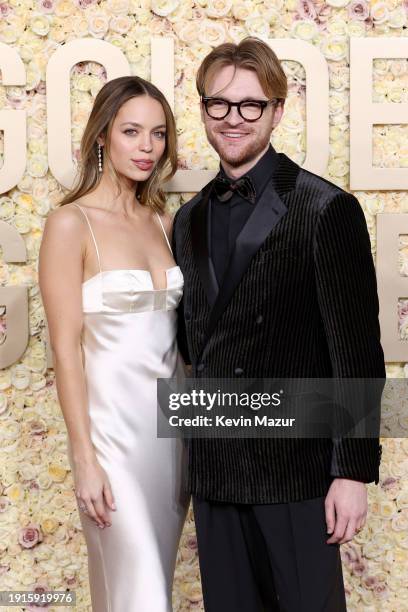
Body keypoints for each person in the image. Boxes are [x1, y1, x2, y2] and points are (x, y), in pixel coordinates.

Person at [172, 38, 385, 611]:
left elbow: (356, 351)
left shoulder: (324, 208)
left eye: (250, 105)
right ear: (202, 111)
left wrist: (352, 474)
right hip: (216, 470)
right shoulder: (187, 218)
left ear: (276, 112)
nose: (233, 118)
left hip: (296, 473)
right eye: (219, 104)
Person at [39, 76, 189, 611]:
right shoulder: (70, 224)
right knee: (138, 594)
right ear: (102, 136)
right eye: (131, 131)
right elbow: (66, 351)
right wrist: (84, 458)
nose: (147, 147)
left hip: (172, 443)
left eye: (159, 134)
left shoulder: (166, 224)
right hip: (111, 443)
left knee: (156, 587)